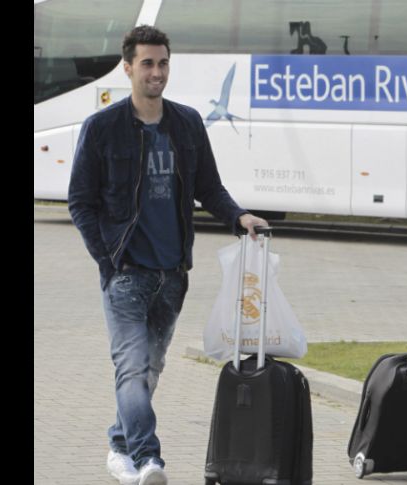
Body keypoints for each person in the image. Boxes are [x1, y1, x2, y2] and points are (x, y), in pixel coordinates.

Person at [68, 25, 267, 485]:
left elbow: (208, 187)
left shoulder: (187, 123)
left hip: (172, 274)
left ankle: (119, 447)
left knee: (149, 370)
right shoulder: (102, 128)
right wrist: (107, 259)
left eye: (162, 63)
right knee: (133, 366)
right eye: (147, 64)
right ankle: (148, 459)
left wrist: (239, 218)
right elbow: (81, 200)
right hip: (127, 275)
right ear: (128, 67)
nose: (156, 72)